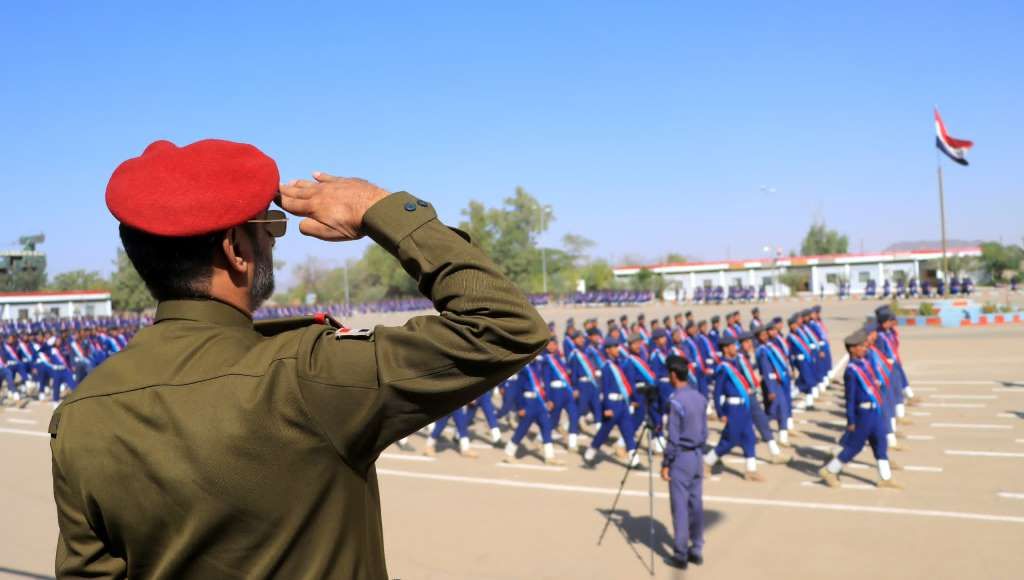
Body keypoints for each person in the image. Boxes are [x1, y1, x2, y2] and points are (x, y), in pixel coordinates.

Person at [49, 139, 548, 578]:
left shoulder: (80, 417)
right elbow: (504, 325)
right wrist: (380, 207)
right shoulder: (305, 378)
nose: (274, 243)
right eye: (270, 229)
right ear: (236, 249)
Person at [818, 330, 902, 489]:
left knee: (880, 443)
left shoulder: (865, 364)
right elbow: (849, 398)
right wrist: (851, 420)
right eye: (861, 346)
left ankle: (885, 478)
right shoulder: (851, 371)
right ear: (852, 349)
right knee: (854, 447)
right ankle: (829, 471)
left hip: (875, 411)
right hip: (863, 414)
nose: (865, 348)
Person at [661, 355, 706, 570]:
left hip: (681, 457)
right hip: (698, 455)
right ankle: (696, 548)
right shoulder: (699, 397)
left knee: (679, 506)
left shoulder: (676, 401)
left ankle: (680, 553)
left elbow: (673, 437)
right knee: (696, 504)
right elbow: (705, 431)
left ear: (672, 374)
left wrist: (666, 462)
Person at [703, 336, 764, 481]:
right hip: (733, 408)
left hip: (744, 406)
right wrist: (720, 412)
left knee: (749, 437)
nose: (735, 348)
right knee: (730, 440)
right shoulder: (723, 367)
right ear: (725, 349)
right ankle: (706, 462)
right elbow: (717, 391)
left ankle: (751, 470)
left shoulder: (736, 362)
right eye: (732, 346)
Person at [583, 339, 640, 467]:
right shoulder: (607, 367)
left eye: (617, 346)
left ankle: (634, 460)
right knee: (604, 432)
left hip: (623, 404)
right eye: (614, 347)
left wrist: (631, 401)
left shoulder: (619, 364)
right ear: (608, 350)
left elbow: (625, 385)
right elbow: (604, 389)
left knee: (628, 432)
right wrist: (607, 407)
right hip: (612, 405)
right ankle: (589, 454)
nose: (617, 349)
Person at [502, 358, 565, 465]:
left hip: (540, 403)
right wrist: (520, 407)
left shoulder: (538, 365)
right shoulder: (522, 369)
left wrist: (548, 400)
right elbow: (517, 389)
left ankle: (550, 457)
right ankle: (509, 453)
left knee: (546, 427)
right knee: (522, 429)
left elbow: (543, 385)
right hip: (528, 402)